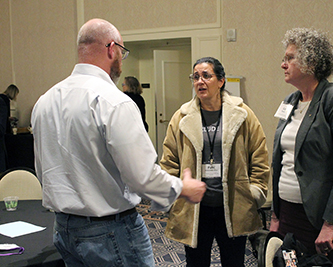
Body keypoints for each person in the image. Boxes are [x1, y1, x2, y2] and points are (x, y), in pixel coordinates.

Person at [31, 18, 206, 267]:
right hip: (110, 232)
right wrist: (182, 188)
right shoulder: (114, 102)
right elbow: (142, 177)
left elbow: (44, 169)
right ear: (111, 49)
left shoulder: (45, 101)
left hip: (62, 229)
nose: (121, 61)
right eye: (122, 53)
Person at [160, 57, 270, 267]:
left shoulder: (243, 114)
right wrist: (174, 196)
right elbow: (169, 161)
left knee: (234, 262)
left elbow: (259, 156)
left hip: (232, 206)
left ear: (221, 81)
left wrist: (255, 192)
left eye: (206, 76)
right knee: (196, 263)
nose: (200, 81)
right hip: (194, 208)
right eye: (196, 77)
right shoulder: (181, 117)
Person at [270, 28, 333, 267]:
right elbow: (281, 161)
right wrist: (275, 215)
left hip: (322, 217)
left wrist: (330, 224)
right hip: (289, 214)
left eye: (290, 58)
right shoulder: (290, 102)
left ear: (311, 61)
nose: (283, 64)